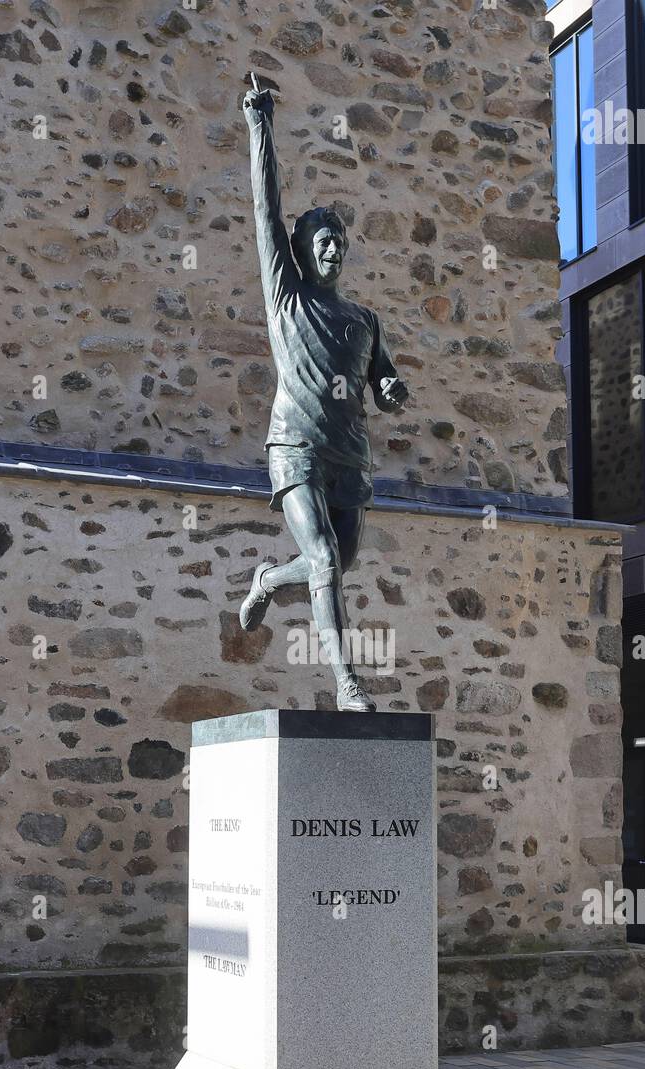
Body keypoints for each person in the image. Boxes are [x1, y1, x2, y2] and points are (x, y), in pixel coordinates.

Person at [240, 74, 409, 712]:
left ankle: (266, 579)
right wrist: (260, 125)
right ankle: (346, 684)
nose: (332, 248)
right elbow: (266, 210)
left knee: (339, 560)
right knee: (326, 561)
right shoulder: (287, 300)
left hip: (349, 456)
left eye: (338, 240)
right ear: (302, 254)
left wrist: (391, 389)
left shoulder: (364, 321)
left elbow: (383, 379)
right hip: (296, 447)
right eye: (321, 241)